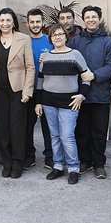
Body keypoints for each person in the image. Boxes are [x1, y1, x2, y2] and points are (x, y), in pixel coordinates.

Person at [34, 24, 91, 185]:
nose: (57, 37)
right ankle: (58, 166)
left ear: (66, 37)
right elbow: (40, 80)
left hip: (69, 102)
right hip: (48, 102)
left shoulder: (75, 55)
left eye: (60, 34)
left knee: (67, 136)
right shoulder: (45, 56)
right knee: (54, 135)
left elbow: (86, 77)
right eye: (54, 35)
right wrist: (38, 101)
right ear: (50, 38)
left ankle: (73, 168)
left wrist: (82, 95)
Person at [68, 5, 111, 179]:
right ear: (83, 19)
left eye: (94, 17)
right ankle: (85, 161)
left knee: (98, 131)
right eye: (87, 17)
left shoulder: (108, 41)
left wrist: (94, 75)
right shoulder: (75, 40)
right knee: (81, 130)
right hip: (79, 94)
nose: (90, 20)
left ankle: (99, 164)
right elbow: (68, 59)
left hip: (100, 94)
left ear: (99, 18)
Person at [0, 8, 35, 179]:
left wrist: (27, 91)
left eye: (8, 20)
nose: (5, 24)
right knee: (2, 128)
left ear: (14, 22)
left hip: (18, 91)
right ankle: (6, 162)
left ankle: (18, 163)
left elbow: (30, 67)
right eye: (2, 21)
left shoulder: (24, 39)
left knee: (17, 127)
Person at [25, 8, 54, 170]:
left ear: (43, 23)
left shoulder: (50, 41)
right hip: (28, 89)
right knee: (27, 125)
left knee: (48, 125)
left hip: (47, 90)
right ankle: (29, 156)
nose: (35, 25)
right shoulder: (23, 41)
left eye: (38, 21)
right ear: (27, 23)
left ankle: (50, 156)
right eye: (32, 22)